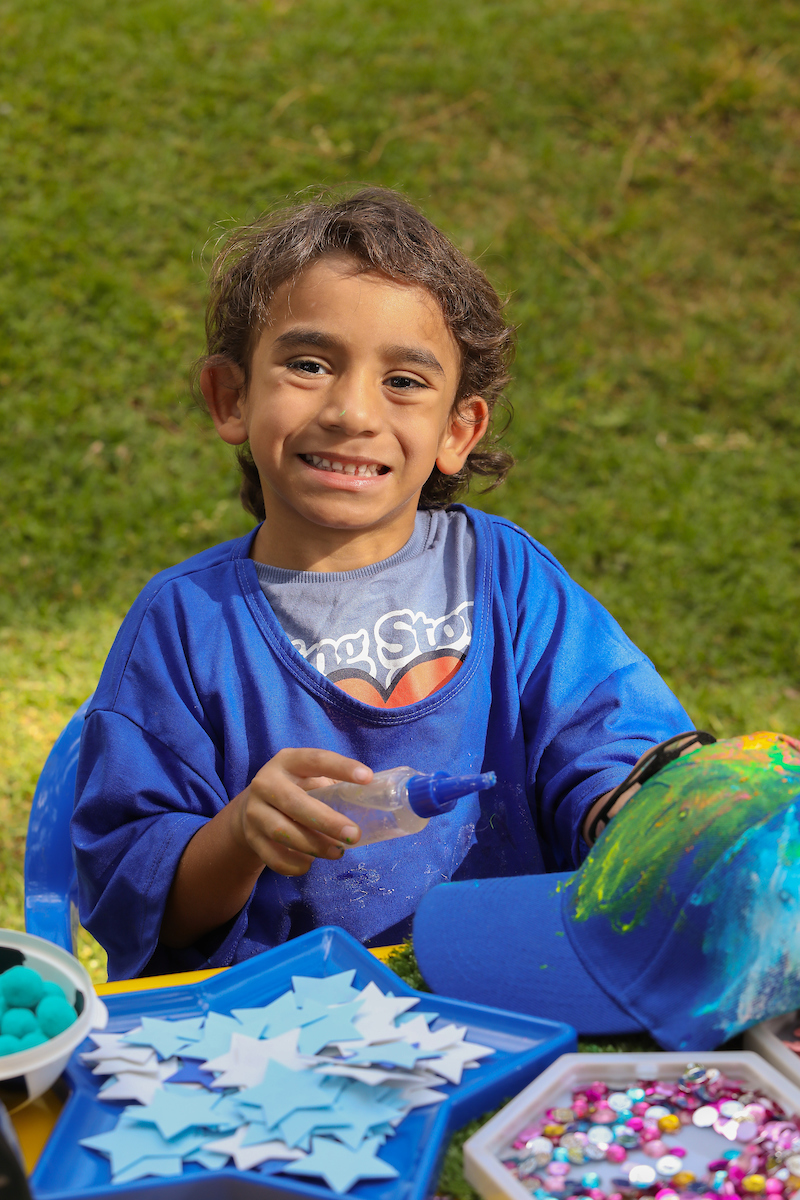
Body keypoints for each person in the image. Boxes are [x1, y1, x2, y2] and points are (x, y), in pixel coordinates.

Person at [72, 188, 693, 981]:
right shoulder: (185, 623)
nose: (352, 410)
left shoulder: (509, 578)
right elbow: (132, 893)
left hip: (512, 991)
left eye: (404, 381)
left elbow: (610, 744)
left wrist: (644, 814)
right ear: (232, 397)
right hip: (280, 1025)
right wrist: (237, 836)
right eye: (307, 364)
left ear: (457, 431)